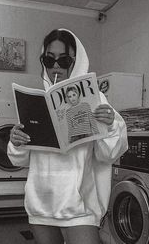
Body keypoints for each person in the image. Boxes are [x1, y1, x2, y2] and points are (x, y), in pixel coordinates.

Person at [7, 28, 128, 244]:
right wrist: (16, 142)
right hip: (41, 201)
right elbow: (20, 160)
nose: (55, 66)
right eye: (49, 59)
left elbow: (107, 155)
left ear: (76, 61)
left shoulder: (95, 99)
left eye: (63, 60)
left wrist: (110, 125)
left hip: (79, 203)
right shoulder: (36, 102)